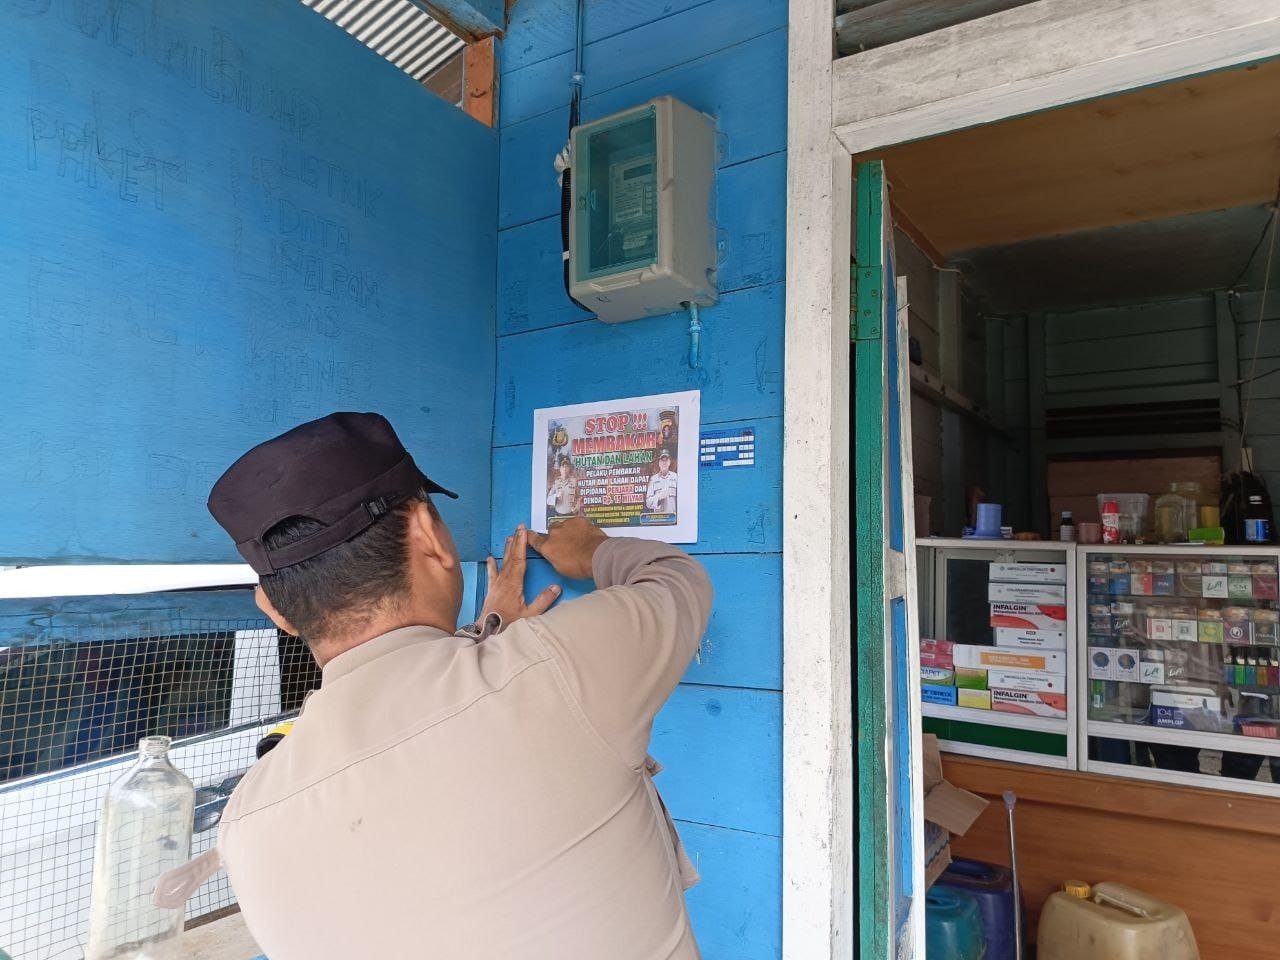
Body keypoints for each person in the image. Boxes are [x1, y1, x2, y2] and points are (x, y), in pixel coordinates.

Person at [205, 412, 712, 960]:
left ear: (274, 609)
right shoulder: (557, 668)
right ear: (429, 535)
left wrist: (487, 636)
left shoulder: (245, 824)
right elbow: (676, 581)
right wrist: (594, 552)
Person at [645, 449, 678, 514]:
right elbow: (648, 503)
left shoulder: (676, 477)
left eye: (666, 460)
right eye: (662, 460)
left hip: (673, 518)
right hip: (658, 518)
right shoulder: (653, 479)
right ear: (659, 463)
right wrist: (659, 497)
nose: (664, 463)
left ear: (669, 462)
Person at [546, 452, 579, 518]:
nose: (565, 469)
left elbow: (579, 497)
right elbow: (548, 500)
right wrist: (555, 496)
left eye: (567, 467)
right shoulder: (556, 482)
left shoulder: (574, 481)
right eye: (563, 467)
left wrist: (578, 506)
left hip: (571, 516)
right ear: (560, 468)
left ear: (569, 468)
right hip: (558, 516)